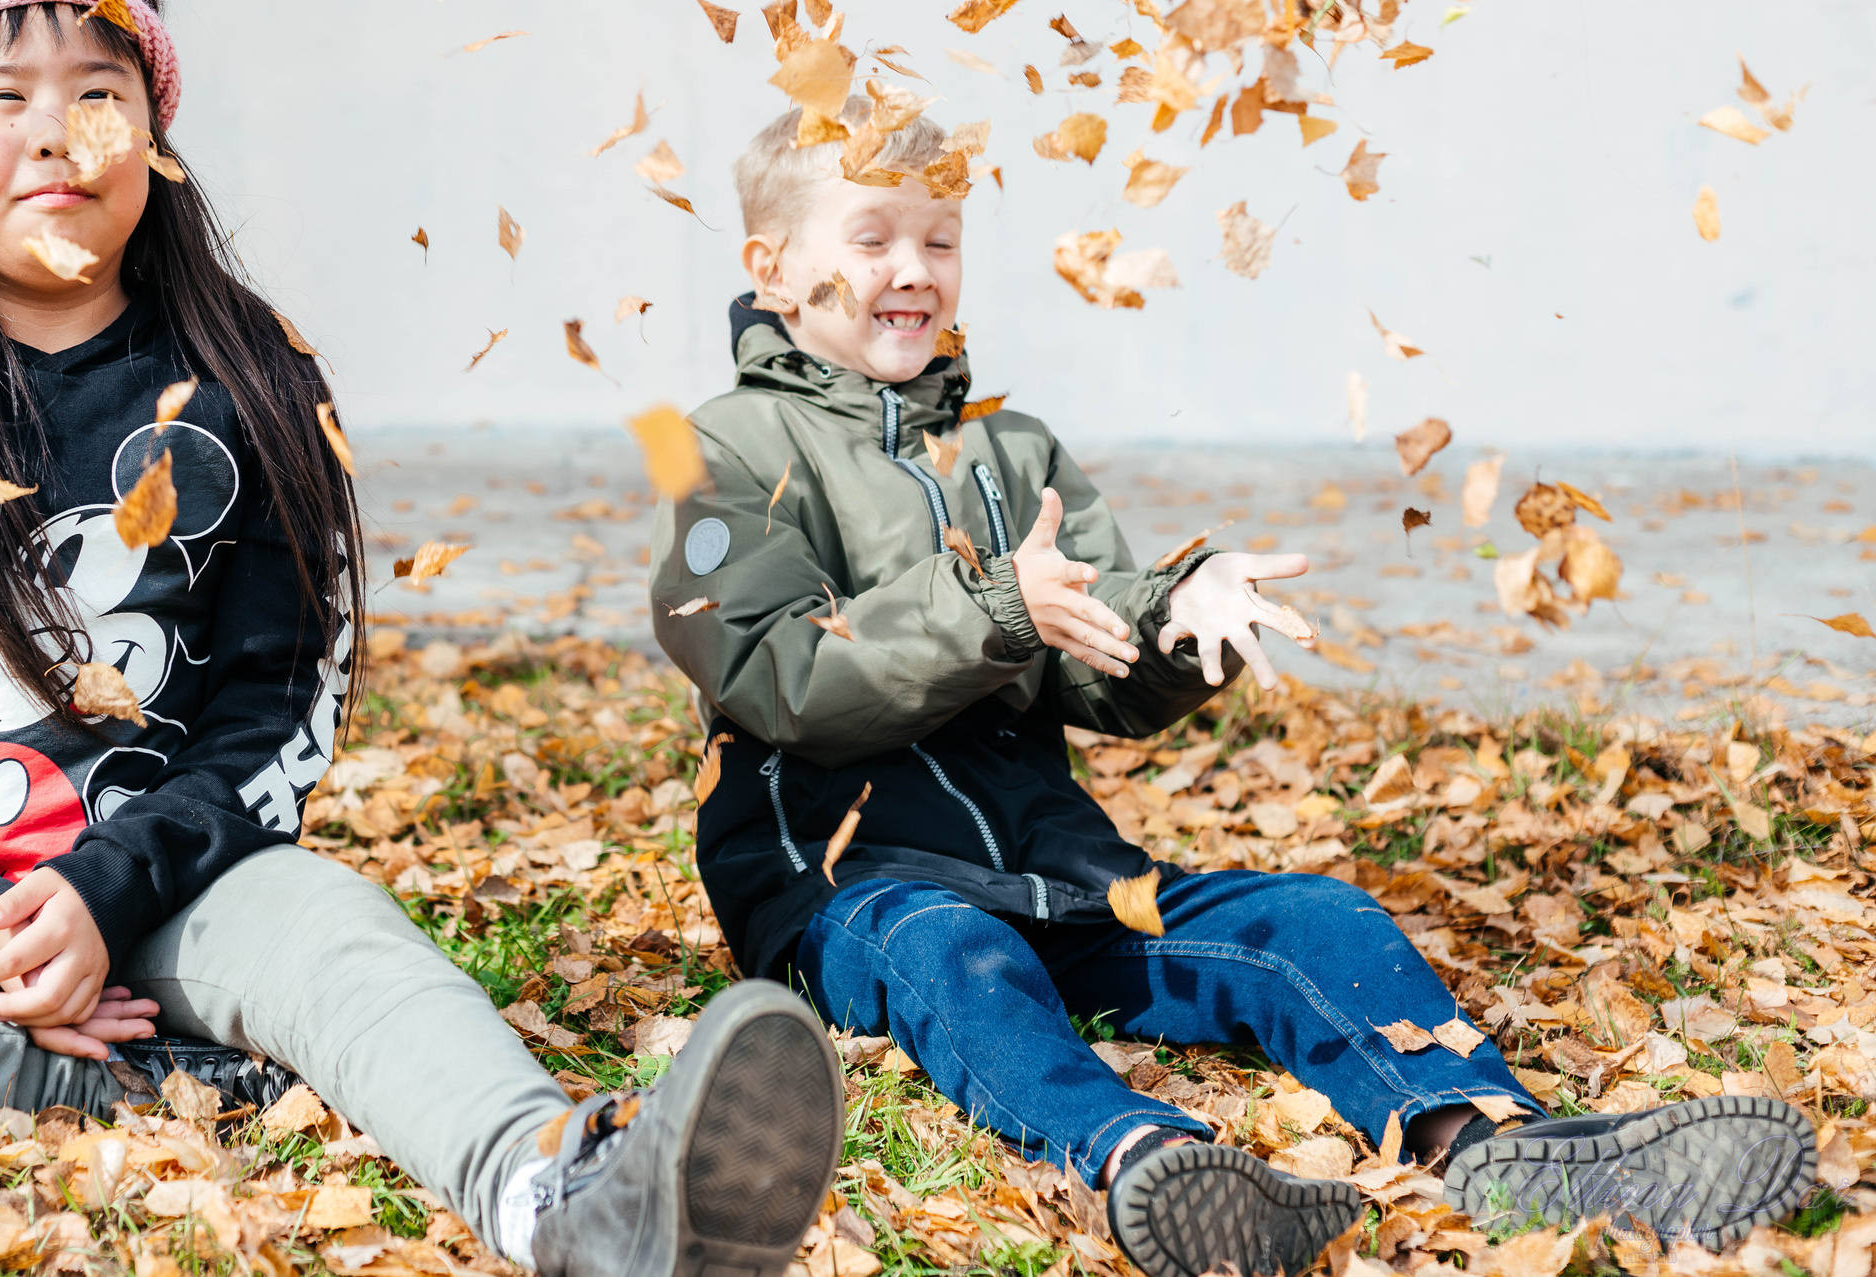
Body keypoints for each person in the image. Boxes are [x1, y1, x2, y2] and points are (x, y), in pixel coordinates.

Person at [0, 0, 846, 1277]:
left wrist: (104, 890)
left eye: (102, 94)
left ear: (154, 135)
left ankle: (561, 1199)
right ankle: (152, 1085)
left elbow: (277, 707)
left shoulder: (250, 369)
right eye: (4, 95)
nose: (58, 134)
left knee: (346, 942)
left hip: (180, 888)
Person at [645, 99, 1815, 1277]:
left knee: (1314, 917)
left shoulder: (1012, 451)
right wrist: (996, 605)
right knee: (953, 954)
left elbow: (1098, 670)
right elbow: (773, 673)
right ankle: (1148, 1162)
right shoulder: (723, 450)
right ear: (775, 269)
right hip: (846, 890)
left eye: (939, 239)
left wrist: (1177, 617)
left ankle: (1487, 1139)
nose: (914, 269)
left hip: (1053, 874)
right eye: (872, 237)